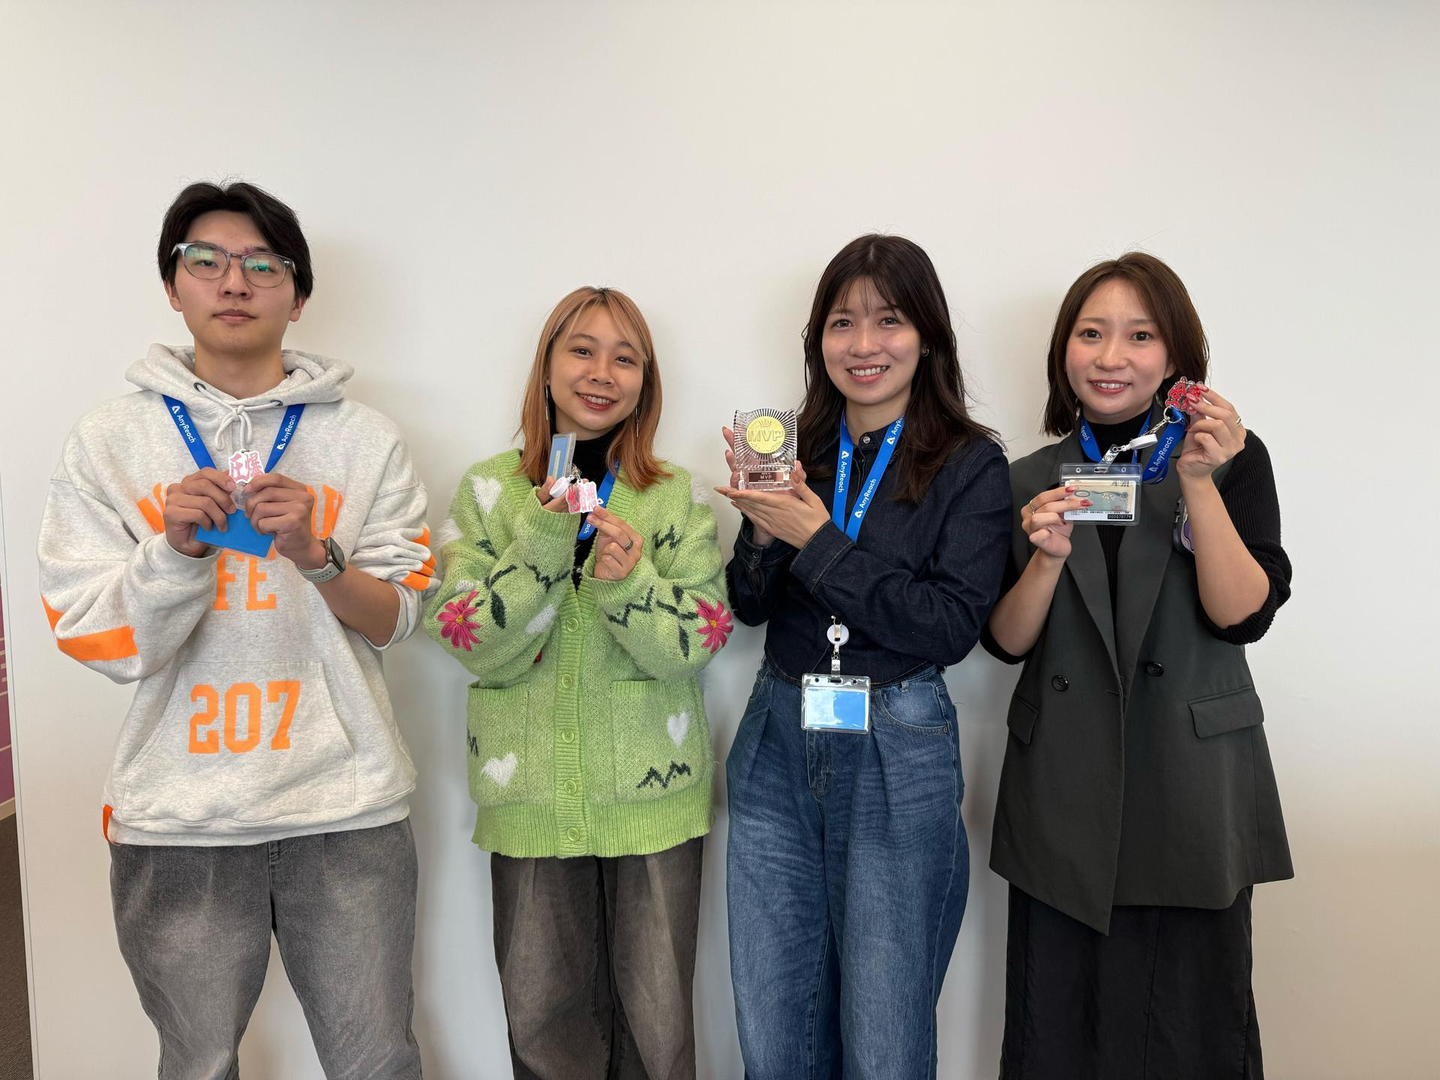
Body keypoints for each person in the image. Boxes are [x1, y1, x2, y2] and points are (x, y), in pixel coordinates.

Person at [36, 180, 435, 1077]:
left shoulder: (366, 439)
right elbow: (93, 637)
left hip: (346, 808)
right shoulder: (107, 441)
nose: (234, 281)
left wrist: (320, 558)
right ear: (171, 286)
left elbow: (399, 615)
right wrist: (172, 554)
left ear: (299, 295)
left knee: (376, 1061)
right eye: (206, 260)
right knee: (199, 1064)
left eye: (263, 264)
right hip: (179, 817)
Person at [983, 252, 1293, 1079]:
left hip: (1191, 779)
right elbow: (1006, 641)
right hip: (1062, 781)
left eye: (1140, 335)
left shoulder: (1233, 458)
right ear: (1064, 350)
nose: (1111, 356)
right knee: (1058, 1030)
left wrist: (1199, 483)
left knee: (1190, 1028)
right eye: (1091, 334)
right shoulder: (1030, 479)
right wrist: (1045, 560)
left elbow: (1243, 614)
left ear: (1176, 354)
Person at [720, 234, 1011, 1079]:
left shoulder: (971, 464)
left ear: (928, 336)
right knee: (774, 1030)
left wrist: (818, 538)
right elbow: (749, 605)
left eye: (889, 320)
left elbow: (948, 627)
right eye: (842, 323)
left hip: (898, 741)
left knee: (884, 1041)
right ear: (818, 339)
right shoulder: (793, 446)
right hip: (778, 732)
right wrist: (764, 528)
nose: (863, 344)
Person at [424, 286, 729, 1080]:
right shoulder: (490, 491)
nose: (602, 373)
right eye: (582, 350)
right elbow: (466, 637)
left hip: (654, 800)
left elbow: (700, 641)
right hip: (528, 796)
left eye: (625, 358)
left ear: (646, 381)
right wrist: (545, 539)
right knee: (541, 1027)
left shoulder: (674, 494)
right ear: (548, 365)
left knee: (659, 1035)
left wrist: (630, 586)